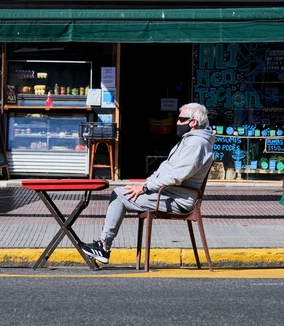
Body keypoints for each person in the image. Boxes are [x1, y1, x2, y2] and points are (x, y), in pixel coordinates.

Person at [80, 102, 215, 264]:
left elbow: (176, 176)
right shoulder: (190, 141)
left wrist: (145, 187)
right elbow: (166, 172)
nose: (177, 123)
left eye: (181, 119)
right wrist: (145, 185)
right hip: (169, 193)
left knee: (119, 195)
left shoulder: (197, 144)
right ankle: (103, 245)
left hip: (177, 199)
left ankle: (103, 246)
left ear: (193, 122)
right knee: (124, 191)